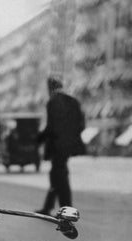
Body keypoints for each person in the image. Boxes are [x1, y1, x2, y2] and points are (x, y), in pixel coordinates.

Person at [36, 75, 86, 215]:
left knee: (60, 178)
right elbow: (81, 124)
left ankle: (67, 210)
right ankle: (48, 207)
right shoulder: (73, 101)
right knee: (57, 176)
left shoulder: (53, 102)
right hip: (69, 145)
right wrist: (71, 139)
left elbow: (51, 127)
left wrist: (38, 140)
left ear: (49, 88)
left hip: (57, 145)